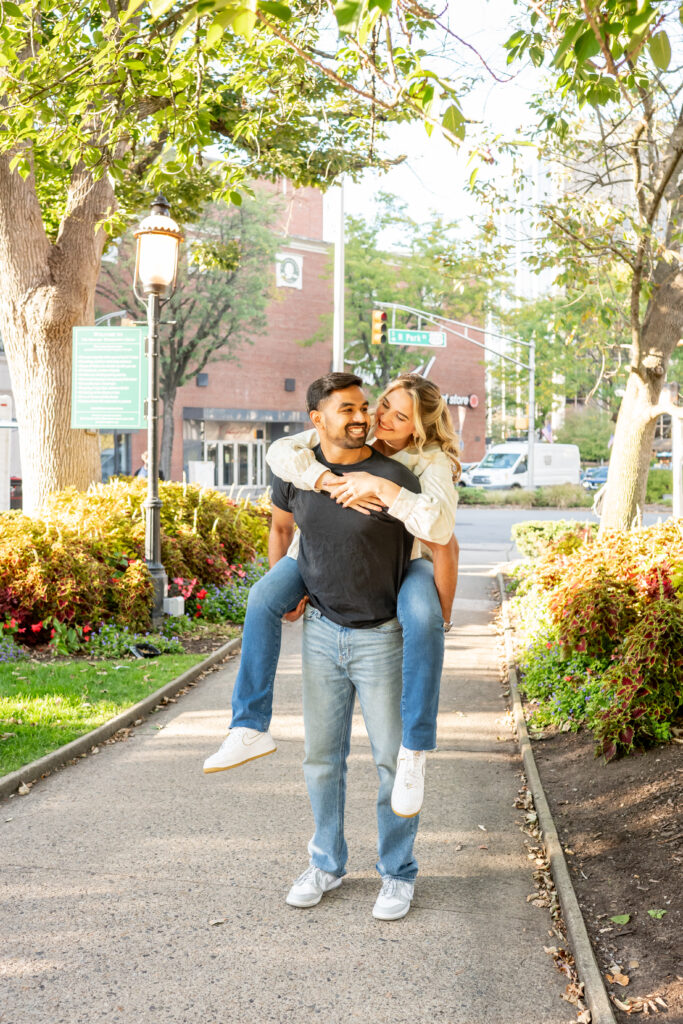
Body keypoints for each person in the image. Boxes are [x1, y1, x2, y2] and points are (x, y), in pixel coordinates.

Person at [203, 373, 460, 819]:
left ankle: (415, 750)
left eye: (399, 416)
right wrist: (323, 479)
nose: (378, 417)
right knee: (263, 597)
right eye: (383, 405)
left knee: (423, 617)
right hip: (313, 561)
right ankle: (249, 726)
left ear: (416, 428)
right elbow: (280, 453)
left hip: (408, 561)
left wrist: (382, 488)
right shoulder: (339, 438)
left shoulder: (425, 463)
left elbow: (443, 539)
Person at [272, 372, 422, 919]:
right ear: (318, 419)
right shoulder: (297, 472)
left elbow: (435, 542)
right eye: (347, 409)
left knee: (391, 762)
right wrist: (283, 586)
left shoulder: (396, 477)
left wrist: (438, 612)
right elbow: (281, 528)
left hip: (382, 635)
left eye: (365, 407)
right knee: (321, 758)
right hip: (320, 634)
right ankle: (326, 863)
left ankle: (398, 874)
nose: (361, 417)